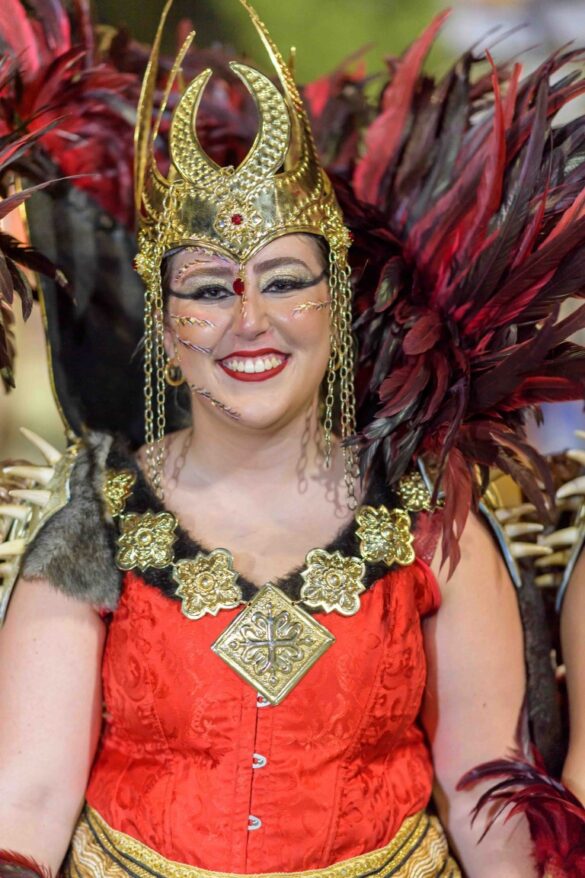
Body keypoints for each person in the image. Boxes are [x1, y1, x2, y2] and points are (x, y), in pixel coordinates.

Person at [1, 1, 585, 875]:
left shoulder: (431, 523)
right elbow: (28, 797)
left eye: (282, 282)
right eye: (208, 290)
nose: (249, 321)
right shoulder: (95, 524)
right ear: (166, 330)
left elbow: (484, 797)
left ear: (334, 309)